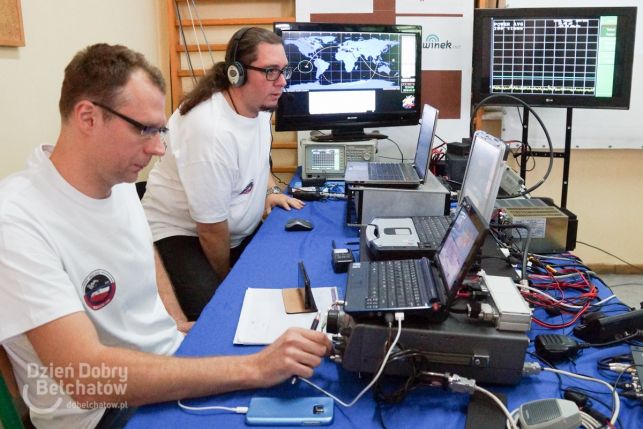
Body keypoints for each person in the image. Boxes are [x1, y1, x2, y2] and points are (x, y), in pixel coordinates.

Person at [0, 43, 331, 429]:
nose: (158, 148)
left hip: (165, 357)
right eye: (145, 130)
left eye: (160, 131)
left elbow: (145, 252)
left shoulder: (117, 179)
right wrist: (253, 368)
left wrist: (168, 320)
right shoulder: (16, 220)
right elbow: (86, 379)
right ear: (87, 117)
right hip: (103, 412)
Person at [142, 27, 304, 321]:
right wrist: (228, 278)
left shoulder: (260, 104)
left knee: (286, 279)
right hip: (184, 234)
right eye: (270, 71)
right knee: (224, 314)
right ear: (236, 74)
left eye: (284, 70)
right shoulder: (209, 131)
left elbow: (259, 160)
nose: (282, 82)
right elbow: (210, 229)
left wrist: (268, 192)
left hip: (228, 232)